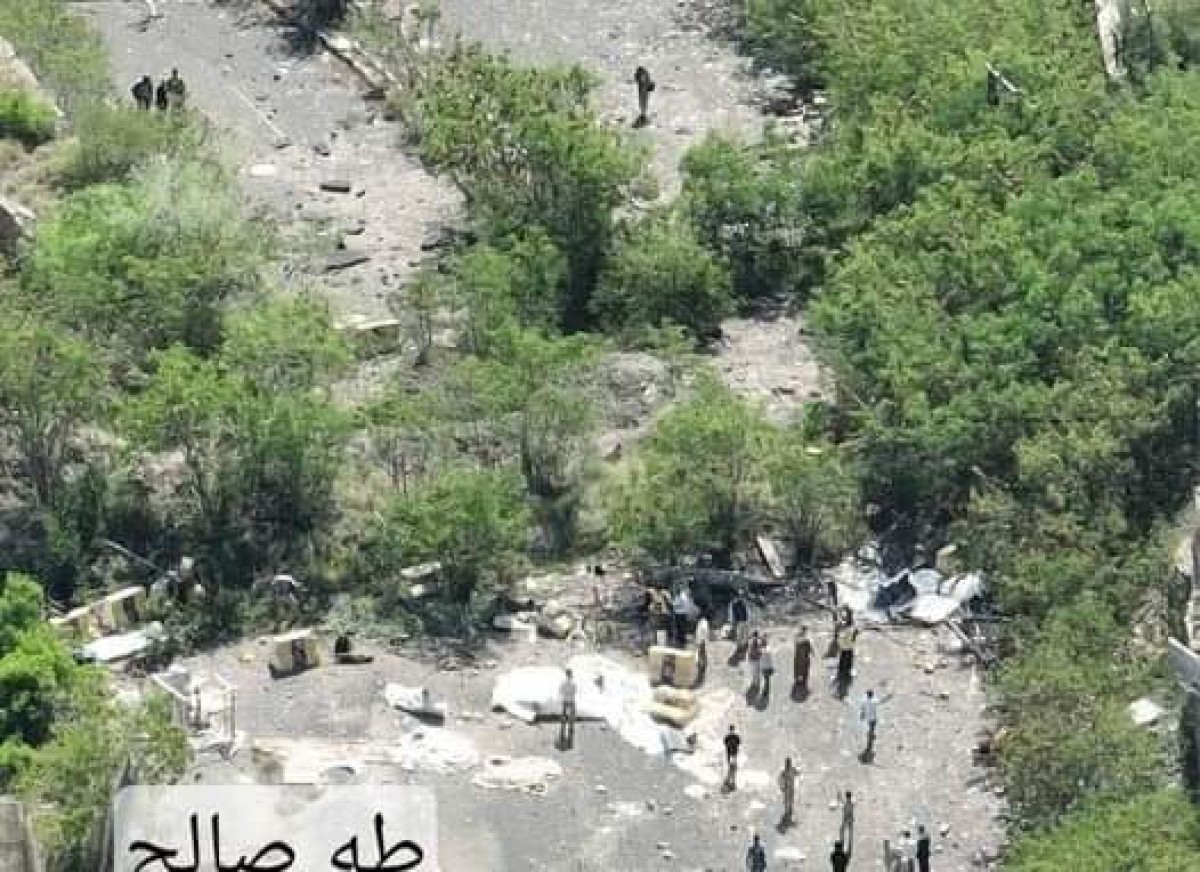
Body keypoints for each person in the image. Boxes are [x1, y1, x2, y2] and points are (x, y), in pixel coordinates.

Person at [835, 619, 858, 698]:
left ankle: (843, 671)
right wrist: (854, 634)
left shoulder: (842, 632)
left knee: (843, 661)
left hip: (844, 649)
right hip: (848, 649)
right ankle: (846, 672)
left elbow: (840, 640)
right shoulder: (845, 632)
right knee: (848, 662)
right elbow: (851, 640)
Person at [793, 626, 813, 697]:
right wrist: (811, 651)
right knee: (805, 667)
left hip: (798, 656)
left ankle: (798, 679)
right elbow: (809, 647)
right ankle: (803, 680)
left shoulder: (797, 636)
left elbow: (795, 644)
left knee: (798, 667)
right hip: (804, 656)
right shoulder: (806, 639)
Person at [560, 668, 577, 748]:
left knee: (564, 712)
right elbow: (575, 691)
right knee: (572, 713)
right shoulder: (573, 683)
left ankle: (563, 724)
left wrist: (565, 694)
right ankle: (570, 725)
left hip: (565, 699)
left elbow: (561, 691)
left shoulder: (563, 683)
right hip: (571, 700)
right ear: (571, 674)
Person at [778, 757, 798, 825]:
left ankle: (789, 816)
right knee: (787, 802)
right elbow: (780, 780)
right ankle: (787, 816)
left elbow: (797, 773)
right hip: (787, 789)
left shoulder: (791, 770)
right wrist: (782, 787)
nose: (788, 764)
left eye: (789, 763)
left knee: (790, 802)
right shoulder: (784, 772)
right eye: (787, 763)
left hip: (791, 789)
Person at [860, 689, 879, 757]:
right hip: (873, 717)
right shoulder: (874, 701)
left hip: (868, 717)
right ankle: (871, 735)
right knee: (872, 727)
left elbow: (862, 709)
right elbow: (881, 701)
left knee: (870, 725)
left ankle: (870, 734)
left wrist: (862, 715)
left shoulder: (864, 701)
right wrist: (888, 697)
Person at [724, 725, 741, 790]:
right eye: (732, 729)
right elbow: (739, 742)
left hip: (730, 754)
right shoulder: (735, 736)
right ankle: (732, 783)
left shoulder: (727, 737)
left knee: (732, 767)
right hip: (733, 753)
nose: (732, 731)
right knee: (733, 768)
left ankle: (730, 781)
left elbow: (725, 743)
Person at [695, 611, 710, 680]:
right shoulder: (703, 622)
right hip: (701, 641)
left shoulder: (703, 623)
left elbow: (703, 633)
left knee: (702, 654)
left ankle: (702, 667)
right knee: (701, 654)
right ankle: (702, 666)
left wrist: (702, 642)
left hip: (702, 642)